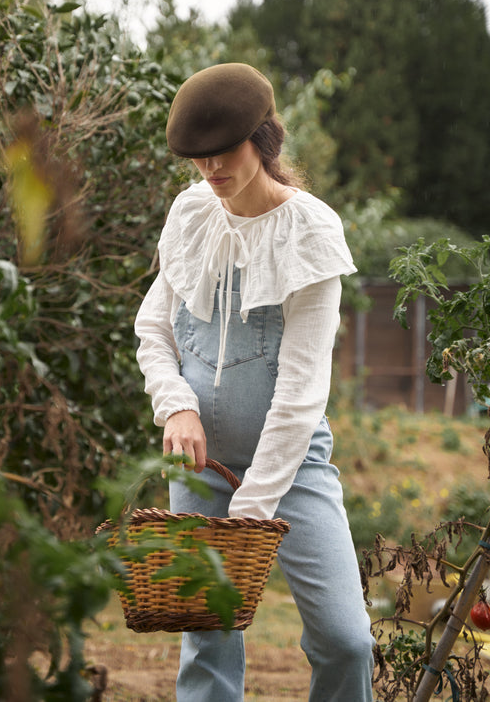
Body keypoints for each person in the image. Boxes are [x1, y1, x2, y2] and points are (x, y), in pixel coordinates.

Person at [134, 63, 375, 702]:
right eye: (199, 158)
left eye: (224, 153)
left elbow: (300, 396)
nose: (211, 171)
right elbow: (152, 327)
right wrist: (177, 407)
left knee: (347, 641)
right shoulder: (190, 214)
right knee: (206, 642)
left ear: (263, 140)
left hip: (294, 469)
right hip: (201, 467)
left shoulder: (311, 233)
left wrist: (252, 511)